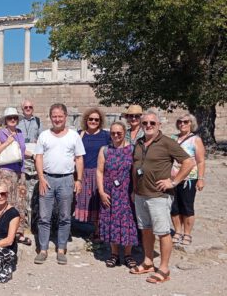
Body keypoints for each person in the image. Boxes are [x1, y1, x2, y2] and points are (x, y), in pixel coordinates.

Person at [130, 111, 195, 284]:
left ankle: (164, 269)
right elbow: (135, 166)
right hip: (140, 195)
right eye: (145, 123)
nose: (148, 126)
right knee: (146, 230)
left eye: (152, 123)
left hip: (159, 196)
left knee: (163, 232)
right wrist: (134, 189)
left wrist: (173, 181)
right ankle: (148, 262)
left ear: (159, 125)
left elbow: (188, 162)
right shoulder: (139, 143)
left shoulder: (167, 142)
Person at [34, 103, 85, 265]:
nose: (57, 119)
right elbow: (39, 157)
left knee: (65, 216)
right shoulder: (44, 135)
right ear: (50, 117)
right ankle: (43, 249)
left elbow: (79, 158)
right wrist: (41, 178)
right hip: (47, 179)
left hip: (66, 179)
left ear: (65, 117)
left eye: (60, 116)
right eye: (54, 116)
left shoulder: (73, 136)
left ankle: (61, 249)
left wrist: (79, 180)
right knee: (44, 216)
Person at [96, 122, 138, 268]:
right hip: (109, 191)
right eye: (113, 133)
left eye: (118, 133)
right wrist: (101, 192)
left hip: (127, 191)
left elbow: (135, 171)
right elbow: (100, 171)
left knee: (128, 222)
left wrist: (135, 190)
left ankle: (128, 254)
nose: (115, 136)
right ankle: (114, 254)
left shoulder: (132, 149)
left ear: (124, 132)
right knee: (111, 222)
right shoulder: (105, 150)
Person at [0, 107, 31, 245]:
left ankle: (18, 233)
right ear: (5, 120)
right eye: (9, 118)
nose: (12, 120)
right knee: (6, 202)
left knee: (20, 203)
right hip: (6, 172)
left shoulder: (20, 133)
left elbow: (21, 152)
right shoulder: (1, 133)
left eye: (14, 117)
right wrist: (7, 143)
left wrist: (36, 155)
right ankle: (4, 233)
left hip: (20, 172)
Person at [74, 107, 110, 241]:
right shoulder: (80, 134)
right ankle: (84, 228)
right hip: (83, 173)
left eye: (96, 119)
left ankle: (98, 231)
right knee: (83, 201)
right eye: (91, 119)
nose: (93, 121)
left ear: (100, 121)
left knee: (98, 201)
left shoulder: (106, 136)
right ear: (86, 120)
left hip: (100, 173)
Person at [170, 114, 206, 246]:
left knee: (187, 207)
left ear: (191, 123)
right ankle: (177, 231)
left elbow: (201, 161)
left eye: (185, 122)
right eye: (180, 121)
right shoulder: (173, 138)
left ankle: (187, 233)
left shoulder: (196, 140)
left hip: (189, 179)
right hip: (173, 178)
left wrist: (201, 179)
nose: (182, 124)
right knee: (174, 207)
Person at [16, 99, 44, 232]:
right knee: (23, 193)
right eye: (25, 107)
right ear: (22, 109)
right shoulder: (18, 123)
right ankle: (23, 223)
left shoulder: (38, 121)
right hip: (23, 160)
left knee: (34, 193)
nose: (28, 108)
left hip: (34, 160)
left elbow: (41, 140)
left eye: (30, 107)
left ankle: (34, 223)